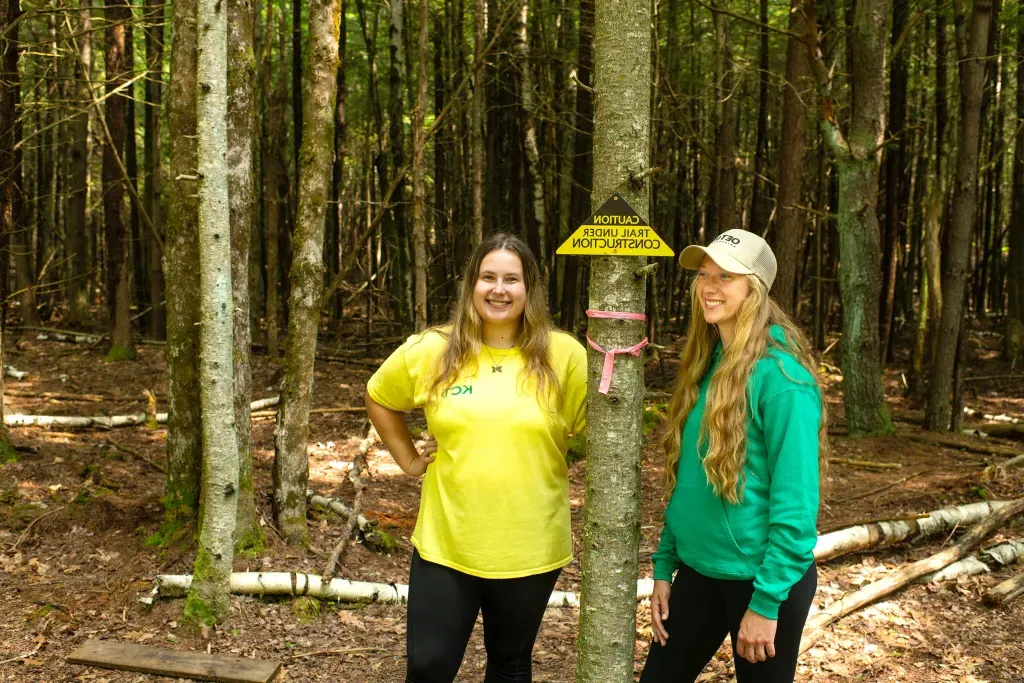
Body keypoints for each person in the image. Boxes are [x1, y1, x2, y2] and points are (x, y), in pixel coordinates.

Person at [365, 233, 587, 683]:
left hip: (529, 545)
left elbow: (592, 433)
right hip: (448, 542)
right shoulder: (433, 349)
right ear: (472, 285)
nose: (499, 290)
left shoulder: (564, 356)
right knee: (428, 666)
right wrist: (408, 459)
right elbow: (379, 396)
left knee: (509, 665)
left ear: (529, 289)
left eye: (512, 279)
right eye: (488, 277)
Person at [640, 228, 827, 683]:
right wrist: (665, 566)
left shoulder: (783, 377)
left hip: (762, 579)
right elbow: (690, 486)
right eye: (704, 274)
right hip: (700, 573)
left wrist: (765, 604)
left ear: (755, 289)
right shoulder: (708, 364)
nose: (709, 286)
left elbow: (797, 506)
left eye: (726, 276)